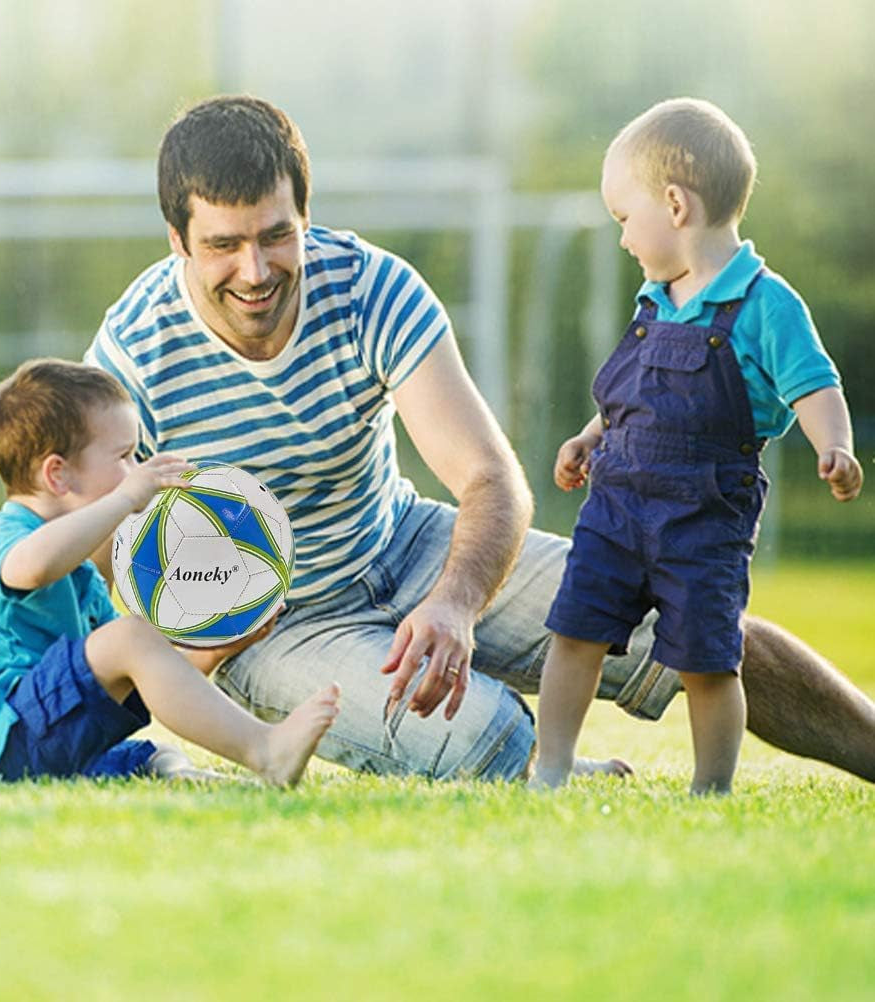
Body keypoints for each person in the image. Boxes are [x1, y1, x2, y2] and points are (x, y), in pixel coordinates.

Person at [86, 94, 875, 785]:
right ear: (177, 240)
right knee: (485, 734)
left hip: (403, 541)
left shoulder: (370, 287)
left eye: (276, 236)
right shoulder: (130, 356)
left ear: (305, 217)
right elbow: (94, 540)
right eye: (224, 244)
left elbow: (490, 478)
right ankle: (547, 765)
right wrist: (194, 634)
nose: (256, 270)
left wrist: (454, 603)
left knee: (706, 633)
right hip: (281, 625)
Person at [531, 98, 864, 795]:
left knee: (710, 661)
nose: (623, 239)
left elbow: (814, 384)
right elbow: (631, 398)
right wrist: (590, 437)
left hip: (703, 521)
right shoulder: (654, 300)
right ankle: (553, 767)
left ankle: (711, 786)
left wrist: (833, 446)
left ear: (675, 205)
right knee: (574, 632)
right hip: (617, 506)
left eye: (625, 218)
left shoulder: (768, 304)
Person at [0, 358, 340, 785]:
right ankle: (266, 751)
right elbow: (32, 568)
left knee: (156, 755)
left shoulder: (83, 577)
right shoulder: (4, 534)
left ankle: (196, 779)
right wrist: (125, 499)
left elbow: (138, 676)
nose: (135, 470)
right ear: (58, 474)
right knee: (128, 635)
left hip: (46, 738)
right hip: (1, 739)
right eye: (124, 456)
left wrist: (217, 649)